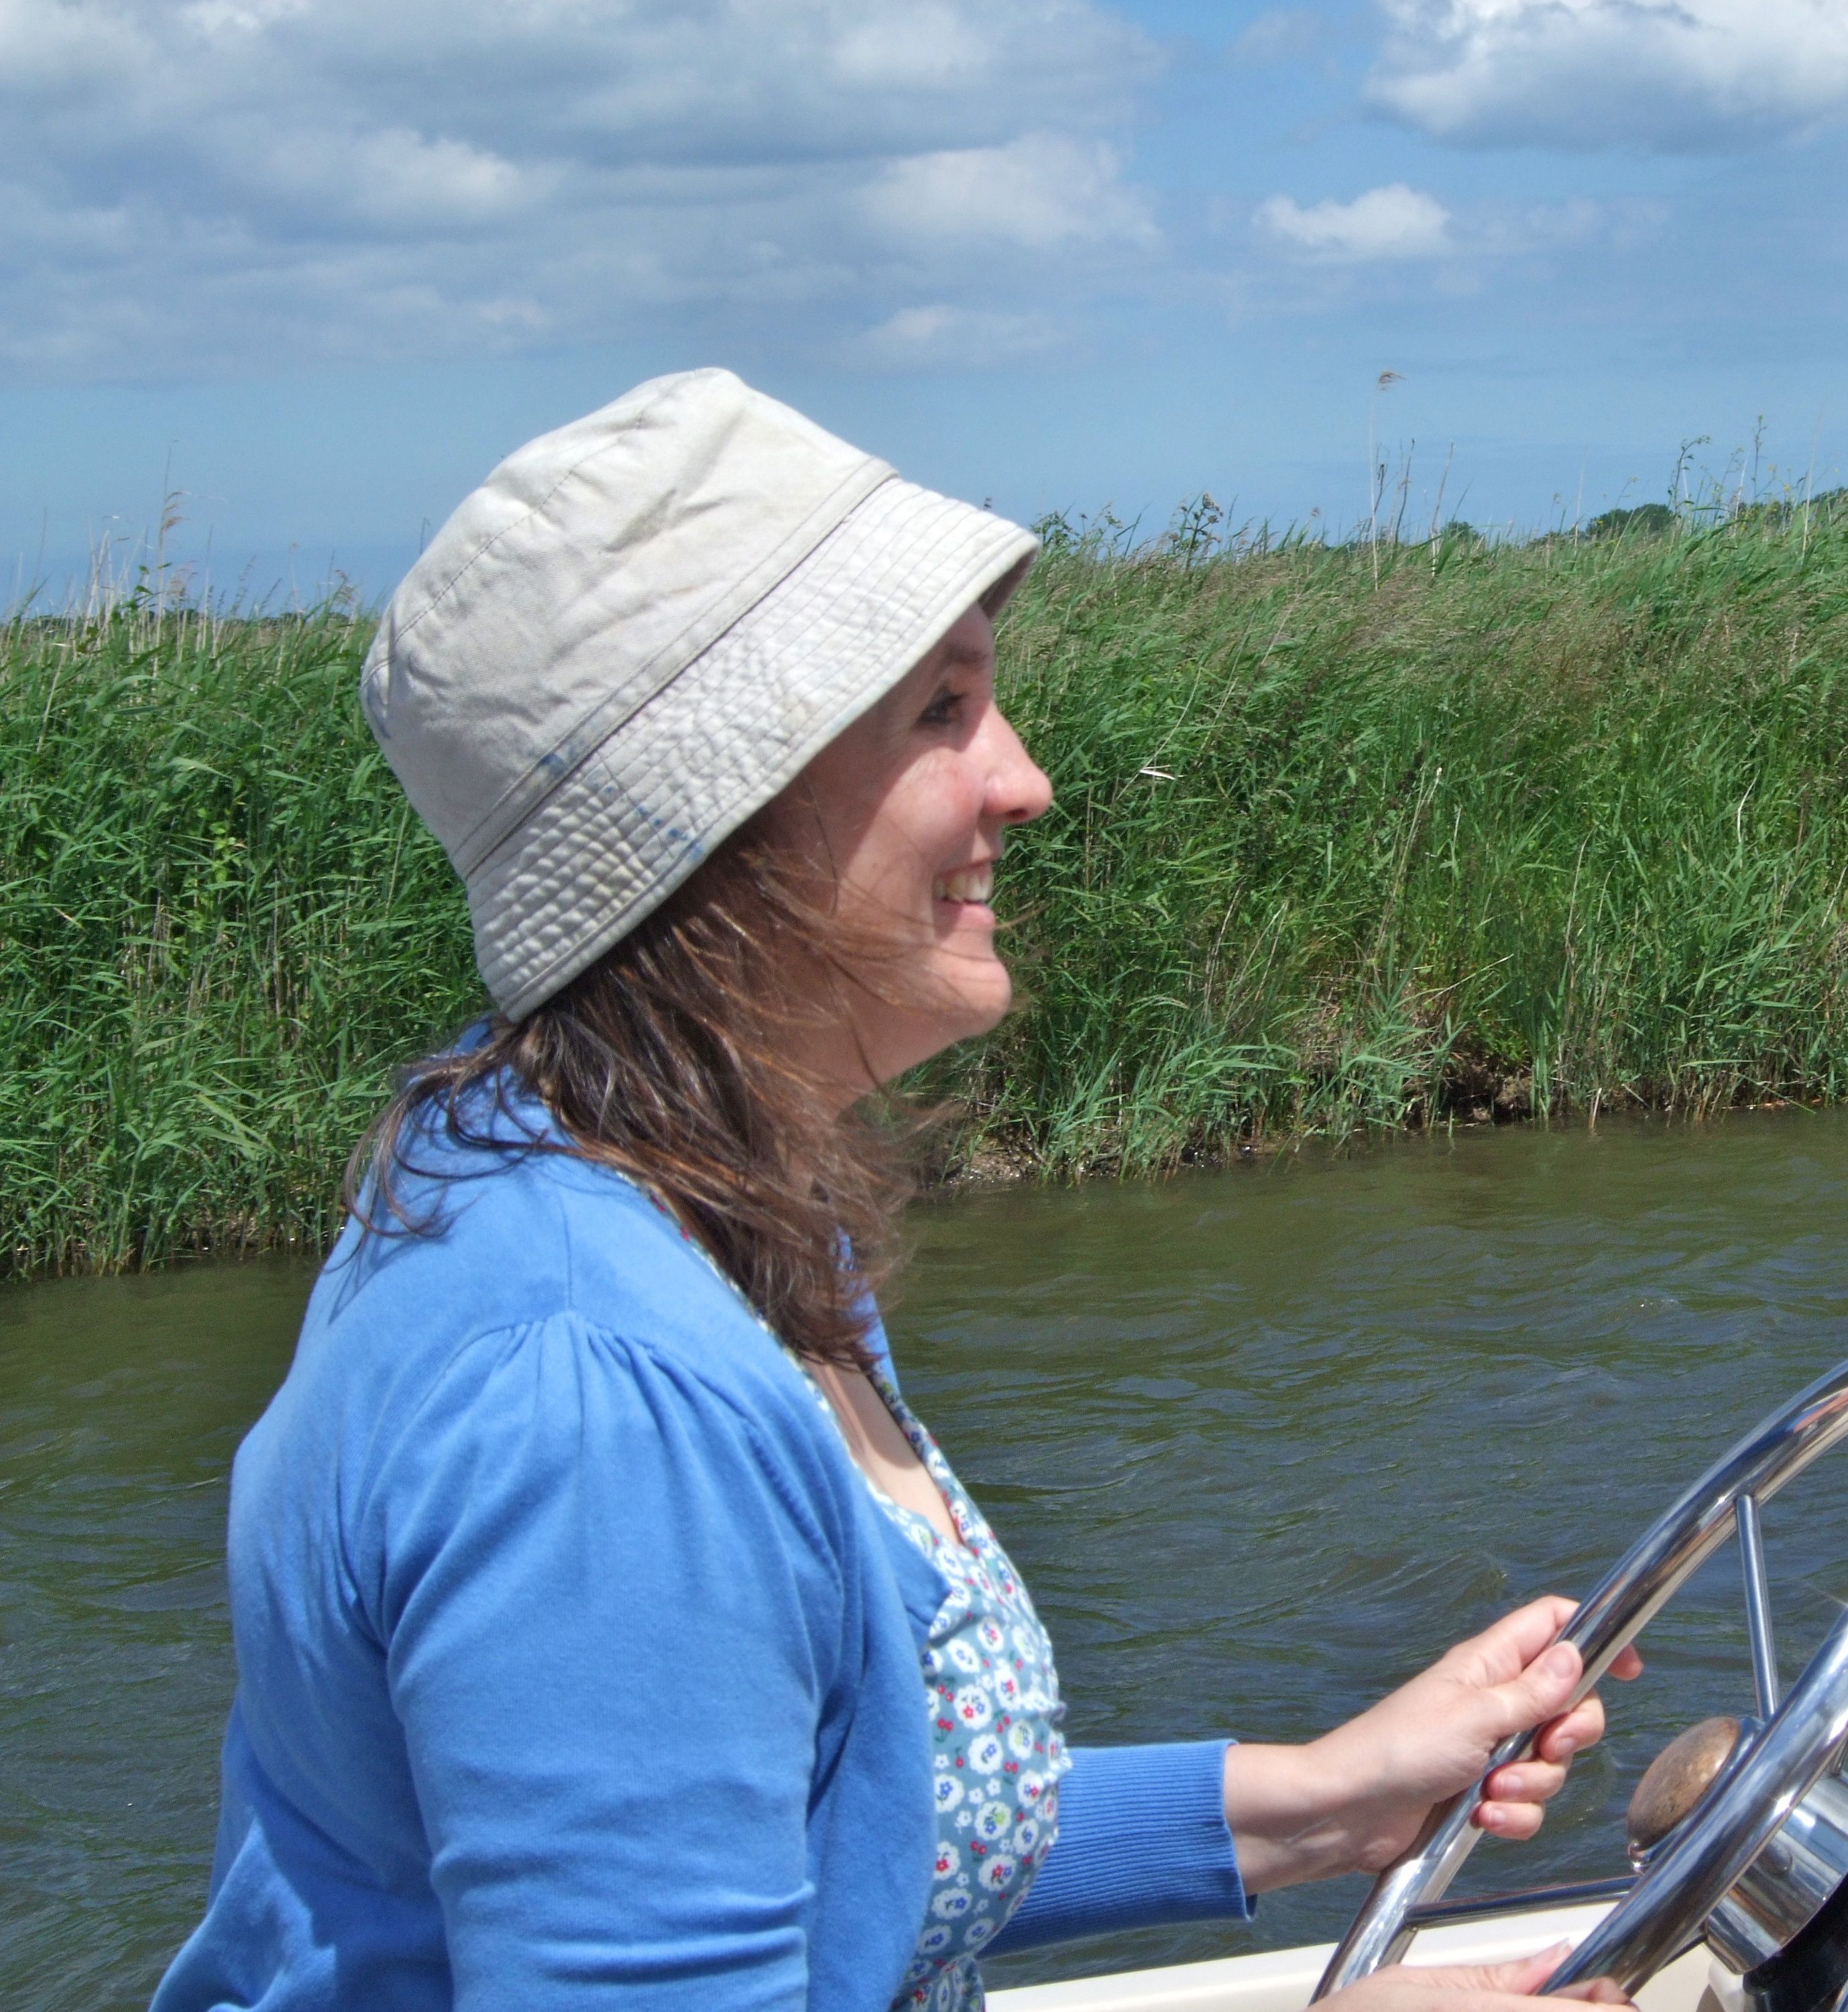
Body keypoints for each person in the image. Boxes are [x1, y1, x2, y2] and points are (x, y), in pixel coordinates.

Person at [152, 370, 1640, 2012]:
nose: (1024, 780)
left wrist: (1322, 1799)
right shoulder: (598, 1405)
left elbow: (834, 1837)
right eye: (939, 713)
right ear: (717, 819)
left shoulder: (668, 1192)